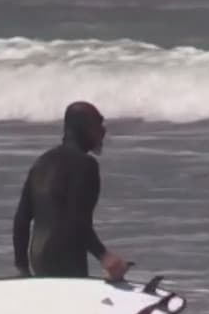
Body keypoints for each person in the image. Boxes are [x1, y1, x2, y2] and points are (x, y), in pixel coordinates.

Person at [13, 101, 128, 280]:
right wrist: (104, 256)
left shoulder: (42, 162)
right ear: (83, 128)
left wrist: (22, 268)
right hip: (66, 260)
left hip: (38, 259)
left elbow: (21, 220)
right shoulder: (85, 165)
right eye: (98, 124)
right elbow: (77, 220)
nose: (103, 131)